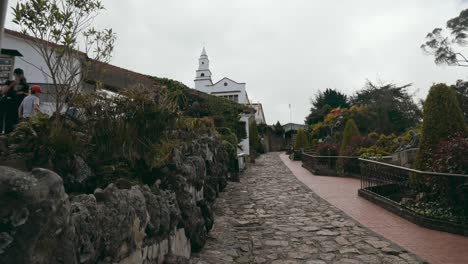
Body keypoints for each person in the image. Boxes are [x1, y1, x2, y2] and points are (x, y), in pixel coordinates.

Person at [2, 68, 29, 132]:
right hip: (8, 103)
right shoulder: (9, 82)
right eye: (16, 75)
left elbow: (28, 94)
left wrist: (22, 92)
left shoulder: (24, 85)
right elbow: (3, 91)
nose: (18, 77)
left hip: (17, 105)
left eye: (19, 75)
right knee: (7, 119)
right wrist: (12, 84)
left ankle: (13, 133)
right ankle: (5, 133)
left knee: (15, 120)